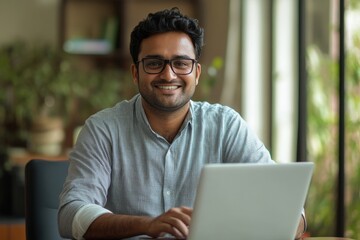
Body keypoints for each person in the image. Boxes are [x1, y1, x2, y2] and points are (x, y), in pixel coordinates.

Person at [58, 7, 306, 240]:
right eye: (154, 63)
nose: (168, 74)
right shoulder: (103, 129)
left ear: (196, 73)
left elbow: (288, 211)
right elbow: (71, 215)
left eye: (181, 63)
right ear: (136, 73)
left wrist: (289, 220)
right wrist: (149, 225)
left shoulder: (226, 126)